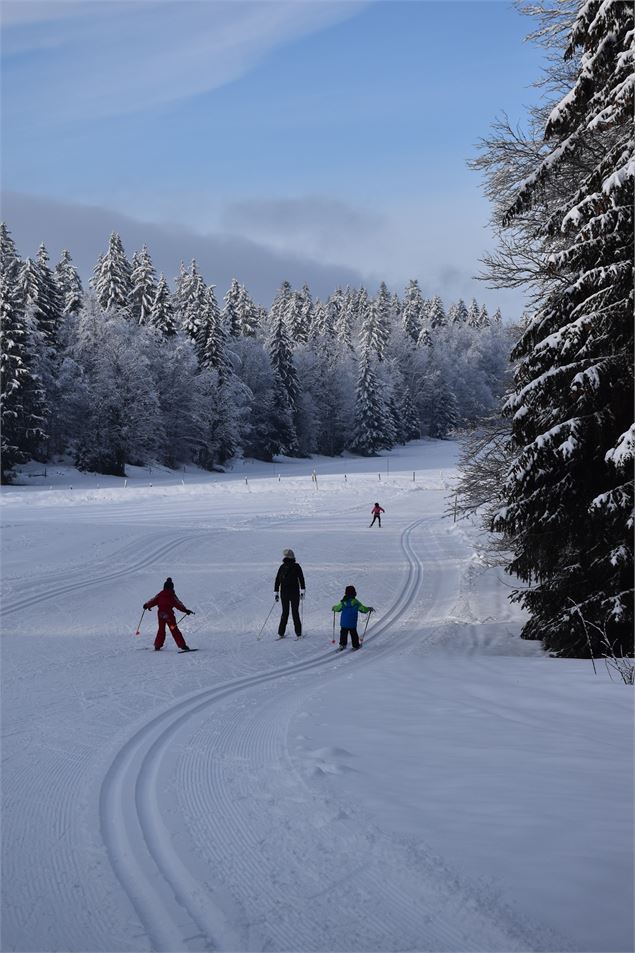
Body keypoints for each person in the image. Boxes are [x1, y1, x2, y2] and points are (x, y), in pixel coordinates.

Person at [143, 577, 194, 651]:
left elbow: (153, 600)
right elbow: (178, 604)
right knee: (174, 629)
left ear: (164, 587)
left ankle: (157, 645)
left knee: (161, 629)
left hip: (161, 614)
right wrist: (186, 610)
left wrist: (146, 605)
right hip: (169, 615)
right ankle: (182, 645)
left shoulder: (160, 594)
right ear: (172, 587)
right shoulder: (172, 596)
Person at [274, 548, 305, 638]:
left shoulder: (282, 567)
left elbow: (277, 580)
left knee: (285, 612)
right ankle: (298, 633)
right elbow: (301, 579)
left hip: (284, 593)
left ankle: (281, 633)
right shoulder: (297, 566)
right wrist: (302, 590)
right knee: (295, 612)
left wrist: (276, 592)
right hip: (294, 593)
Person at [331, 585, 373, 651]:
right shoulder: (356, 602)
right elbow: (363, 609)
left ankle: (342, 645)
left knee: (343, 633)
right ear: (354, 593)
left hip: (344, 622)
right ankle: (356, 645)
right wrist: (368, 609)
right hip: (352, 623)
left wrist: (334, 608)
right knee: (353, 634)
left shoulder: (343, 602)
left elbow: (337, 609)